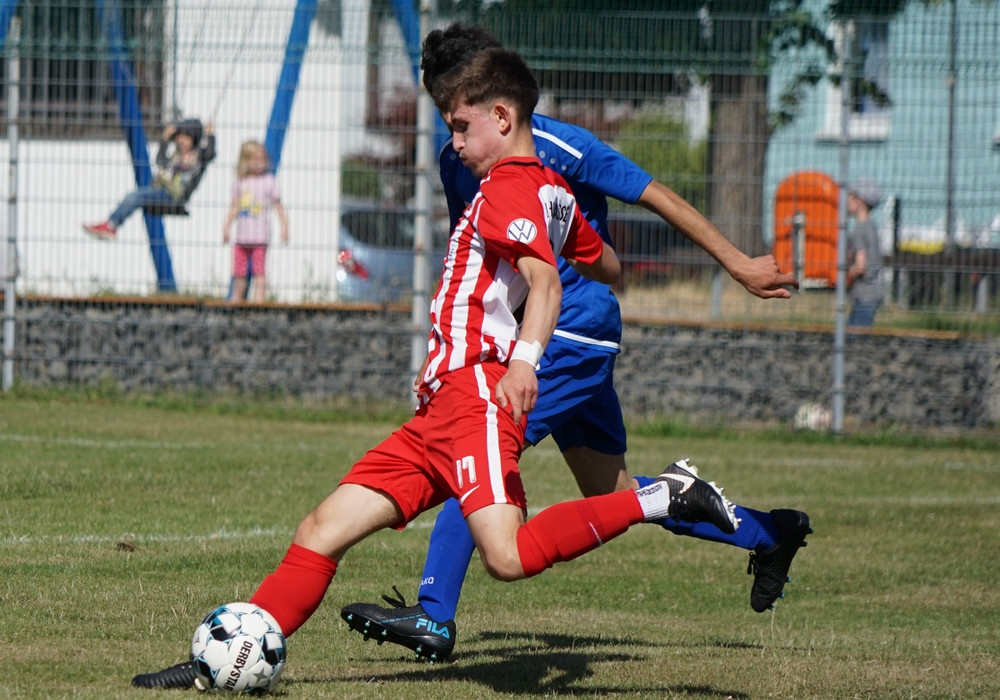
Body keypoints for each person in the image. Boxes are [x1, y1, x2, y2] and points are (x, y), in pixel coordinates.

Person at [131, 46, 739, 690]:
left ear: (502, 117)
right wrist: (558, 234)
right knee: (321, 528)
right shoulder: (547, 189)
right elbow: (608, 266)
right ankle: (217, 663)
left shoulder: (507, 189)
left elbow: (547, 283)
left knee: (507, 555)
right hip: (437, 414)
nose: (454, 142)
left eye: (461, 126)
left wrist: (524, 360)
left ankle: (662, 495)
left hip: (476, 399)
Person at [338, 22, 811, 663]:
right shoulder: (459, 158)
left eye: (461, 108)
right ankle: (768, 531)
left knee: (477, 451)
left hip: (572, 327)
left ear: (494, 96)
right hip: (536, 335)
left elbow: (657, 195)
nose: (454, 127)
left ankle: (433, 615)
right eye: (445, 112)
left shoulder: (560, 144)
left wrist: (738, 264)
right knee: (610, 496)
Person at [82, 119, 216, 241]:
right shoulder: (176, 154)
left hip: (174, 197)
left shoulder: (198, 156)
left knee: (136, 195)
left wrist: (210, 135)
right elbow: (161, 161)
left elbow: (210, 153)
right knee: (139, 195)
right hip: (160, 190)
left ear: (194, 139)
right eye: (179, 136)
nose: (181, 140)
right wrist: (165, 139)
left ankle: (111, 225)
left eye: (186, 138)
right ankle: (111, 224)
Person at [222, 141, 289, 304]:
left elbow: (278, 206)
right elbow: (235, 207)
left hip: (260, 238)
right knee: (239, 272)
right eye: (255, 159)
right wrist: (226, 227)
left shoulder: (268, 181)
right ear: (245, 161)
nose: (260, 163)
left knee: (259, 271)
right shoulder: (240, 182)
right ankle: (236, 300)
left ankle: (259, 302)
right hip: (242, 238)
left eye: (262, 159)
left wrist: (284, 227)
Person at [846, 178, 885, 327]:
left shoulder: (860, 228)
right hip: (872, 293)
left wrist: (845, 276)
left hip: (864, 294)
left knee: (854, 336)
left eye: (850, 197)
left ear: (859, 201)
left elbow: (861, 265)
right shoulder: (871, 226)